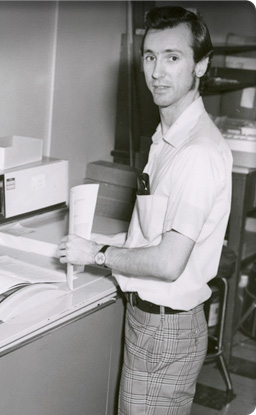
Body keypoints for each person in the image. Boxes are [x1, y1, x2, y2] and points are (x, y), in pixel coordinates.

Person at [57, 6, 233, 415]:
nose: (157, 71)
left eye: (173, 57)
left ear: (201, 65)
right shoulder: (166, 137)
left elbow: (170, 262)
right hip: (151, 324)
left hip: (165, 328)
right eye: (150, 57)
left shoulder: (197, 153)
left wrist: (96, 255)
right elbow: (154, 233)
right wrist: (99, 242)